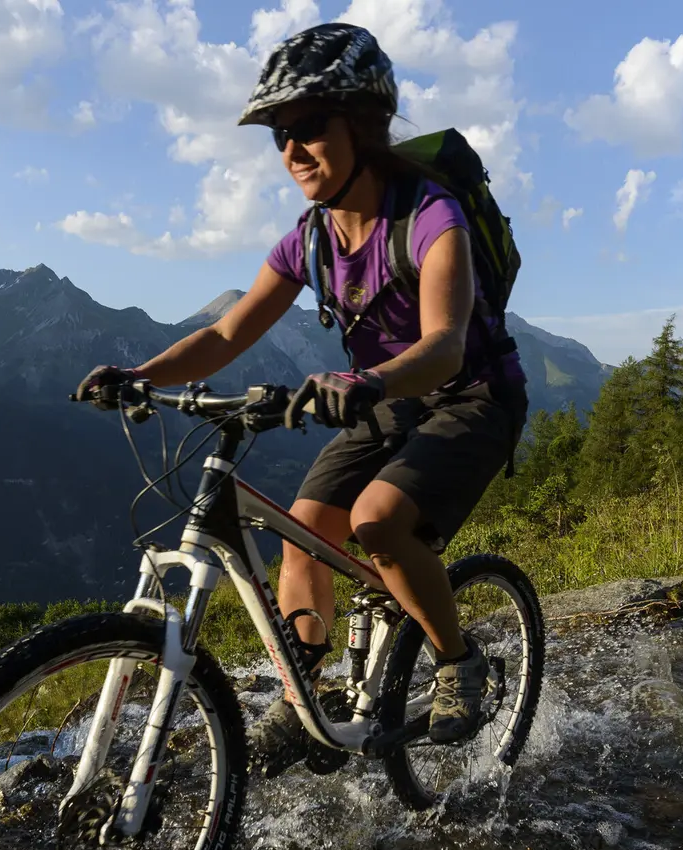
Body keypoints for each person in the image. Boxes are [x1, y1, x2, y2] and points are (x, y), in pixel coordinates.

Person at [74, 23, 527, 772]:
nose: (292, 149)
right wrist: (141, 376)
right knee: (304, 526)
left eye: (310, 126)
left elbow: (445, 343)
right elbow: (226, 334)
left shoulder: (429, 215)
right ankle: (304, 695)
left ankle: (457, 658)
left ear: (366, 122)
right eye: (280, 134)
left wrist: (370, 379)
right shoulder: (308, 240)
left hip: (472, 396)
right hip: (381, 401)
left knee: (378, 521)